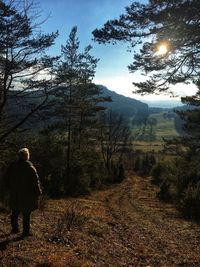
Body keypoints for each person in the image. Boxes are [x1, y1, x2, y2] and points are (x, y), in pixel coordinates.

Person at [4, 148, 42, 237]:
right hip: (27, 195)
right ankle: (25, 232)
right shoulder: (30, 168)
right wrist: (38, 192)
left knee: (15, 212)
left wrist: (10, 188)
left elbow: (5, 178)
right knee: (26, 213)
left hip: (15, 193)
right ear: (27, 156)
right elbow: (35, 182)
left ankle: (15, 229)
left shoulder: (12, 166)